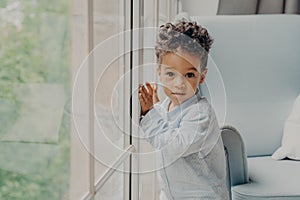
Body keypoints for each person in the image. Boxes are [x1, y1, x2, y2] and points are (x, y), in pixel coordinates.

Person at [138, 20, 229, 200]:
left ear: (202, 76)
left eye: (189, 75)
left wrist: (149, 115)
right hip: (171, 194)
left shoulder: (201, 114)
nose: (179, 84)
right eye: (171, 74)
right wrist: (155, 107)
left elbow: (174, 146)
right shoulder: (165, 106)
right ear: (159, 72)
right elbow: (164, 129)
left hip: (203, 196)